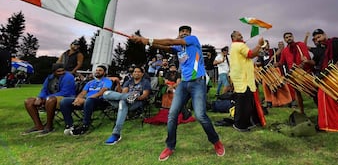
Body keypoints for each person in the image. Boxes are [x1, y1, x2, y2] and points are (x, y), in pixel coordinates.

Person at [129, 25, 224, 161]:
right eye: (182, 31)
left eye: (187, 31)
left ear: (190, 34)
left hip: (197, 82)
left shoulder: (193, 40)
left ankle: (216, 142)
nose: (184, 33)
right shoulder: (179, 48)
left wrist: (147, 39)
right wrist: (145, 42)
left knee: (200, 115)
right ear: (178, 34)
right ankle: (170, 146)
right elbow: (165, 46)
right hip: (183, 84)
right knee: (172, 114)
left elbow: (170, 42)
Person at [22, 63, 76, 136]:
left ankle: (49, 126)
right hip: (49, 97)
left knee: (50, 100)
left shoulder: (69, 77)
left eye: (63, 71)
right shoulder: (50, 78)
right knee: (28, 101)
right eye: (58, 71)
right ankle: (38, 125)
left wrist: (46, 98)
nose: (61, 73)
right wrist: (40, 98)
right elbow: (44, 90)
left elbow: (65, 92)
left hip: (66, 98)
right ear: (54, 72)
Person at [103, 66, 151, 145]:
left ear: (142, 74)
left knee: (122, 102)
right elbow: (123, 93)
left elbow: (145, 95)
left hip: (137, 102)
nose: (136, 73)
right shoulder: (129, 81)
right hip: (126, 100)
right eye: (135, 72)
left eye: (138, 72)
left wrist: (136, 97)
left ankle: (116, 134)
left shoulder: (145, 82)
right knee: (106, 94)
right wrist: (128, 96)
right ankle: (131, 96)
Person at [60, 65, 112, 135]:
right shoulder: (90, 82)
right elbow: (83, 93)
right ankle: (69, 125)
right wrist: (78, 99)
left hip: (99, 101)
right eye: (96, 70)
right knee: (64, 101)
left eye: (100, 70)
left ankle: (85, 125)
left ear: (104, 72)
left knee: (89, 100)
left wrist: (85, 99)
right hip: (86, 101)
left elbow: (101, 93)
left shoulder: (107, 81)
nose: (97, 72)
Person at [229, 30, 264, 132]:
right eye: (239, 35)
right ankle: (241, 124)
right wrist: (259, 45)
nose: (242, 36)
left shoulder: (234, 46)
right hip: (244, 79)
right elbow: (251, 54)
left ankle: (246, 122)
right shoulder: (239, 45)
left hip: (240, 77)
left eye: (241, 34)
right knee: (244, 103)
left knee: (244, 101)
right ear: (234, 38)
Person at [274, 32, 313, 113]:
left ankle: (321, 108)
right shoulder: (284, 51)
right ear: (285, 39)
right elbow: (281, 62)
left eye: (290, 36)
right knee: (297, 93)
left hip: (305, 73)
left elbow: (307, 57)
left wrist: (302, 64)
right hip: (294, 75)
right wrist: (277, 64)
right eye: (287, 37)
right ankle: (302, 111)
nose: (289, 38)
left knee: (312, 92)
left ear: (293, 37)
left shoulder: (301, 45)